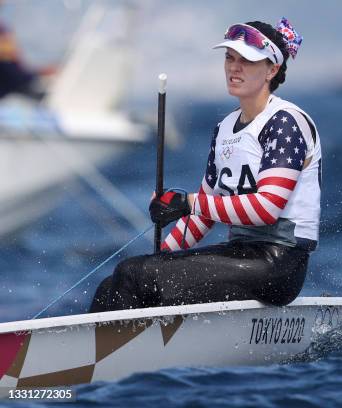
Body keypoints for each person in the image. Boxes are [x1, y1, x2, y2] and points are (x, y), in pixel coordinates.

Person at [89, 18, 321, 312]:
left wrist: (186, 203)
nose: (233, 68)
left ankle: (116, 355)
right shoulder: (224, 128)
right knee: (114, 283)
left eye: (246, 61)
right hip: (242, 255)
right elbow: (203, 215)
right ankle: (85, 356)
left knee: (133, 275)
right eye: (229, 58)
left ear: (272, 70)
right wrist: (160, 256)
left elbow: (267, 208)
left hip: (278, 264)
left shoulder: (285, 122)